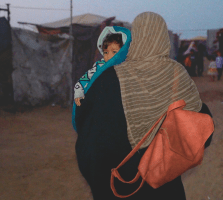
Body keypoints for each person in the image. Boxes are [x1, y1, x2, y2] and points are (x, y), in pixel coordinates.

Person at [74, 12, 213, 199]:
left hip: (120, 187)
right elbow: (204, 131)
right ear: (163, 38)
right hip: (164, 186)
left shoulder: (107, 78)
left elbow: (87, 140)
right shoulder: (176, 74)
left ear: (135, 37)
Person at [74, 27, 125, 106]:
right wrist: (78, 92)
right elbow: (84, 80)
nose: (109, 56)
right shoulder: (100, 66)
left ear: (124, 51)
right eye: (106, 52)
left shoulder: (127, 67)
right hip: (102, 105)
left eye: (114, 52)